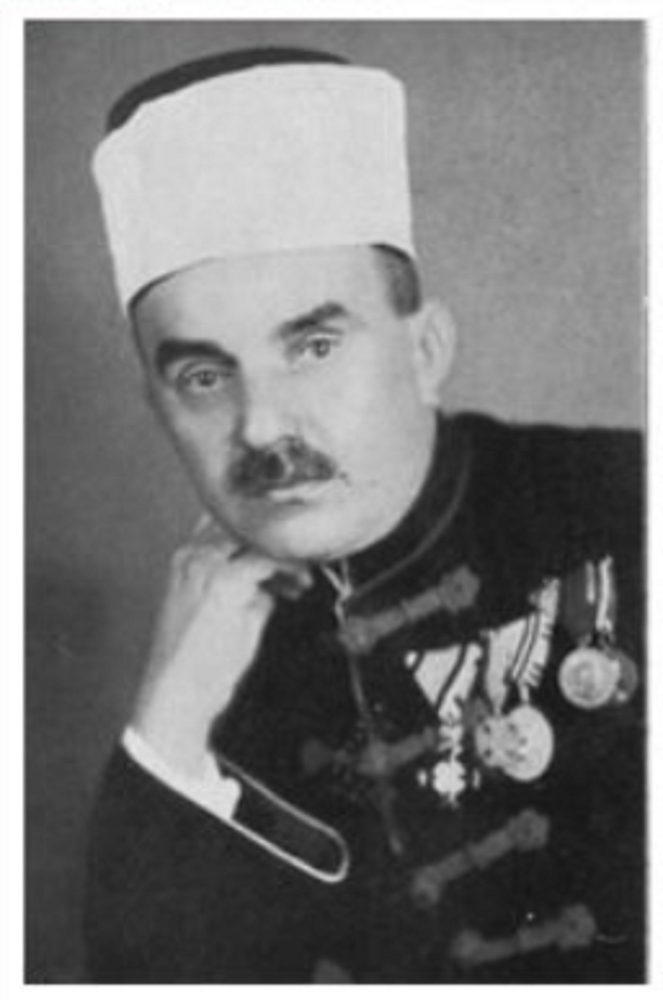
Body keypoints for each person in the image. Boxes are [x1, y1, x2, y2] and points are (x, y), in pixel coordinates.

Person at [85, 48, 645, 983]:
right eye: (205, 377)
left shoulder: (629, 498)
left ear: (424, 350)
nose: (261, 427)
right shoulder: (205, 658)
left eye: (312, 346)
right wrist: (169, 726)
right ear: (158, 406)